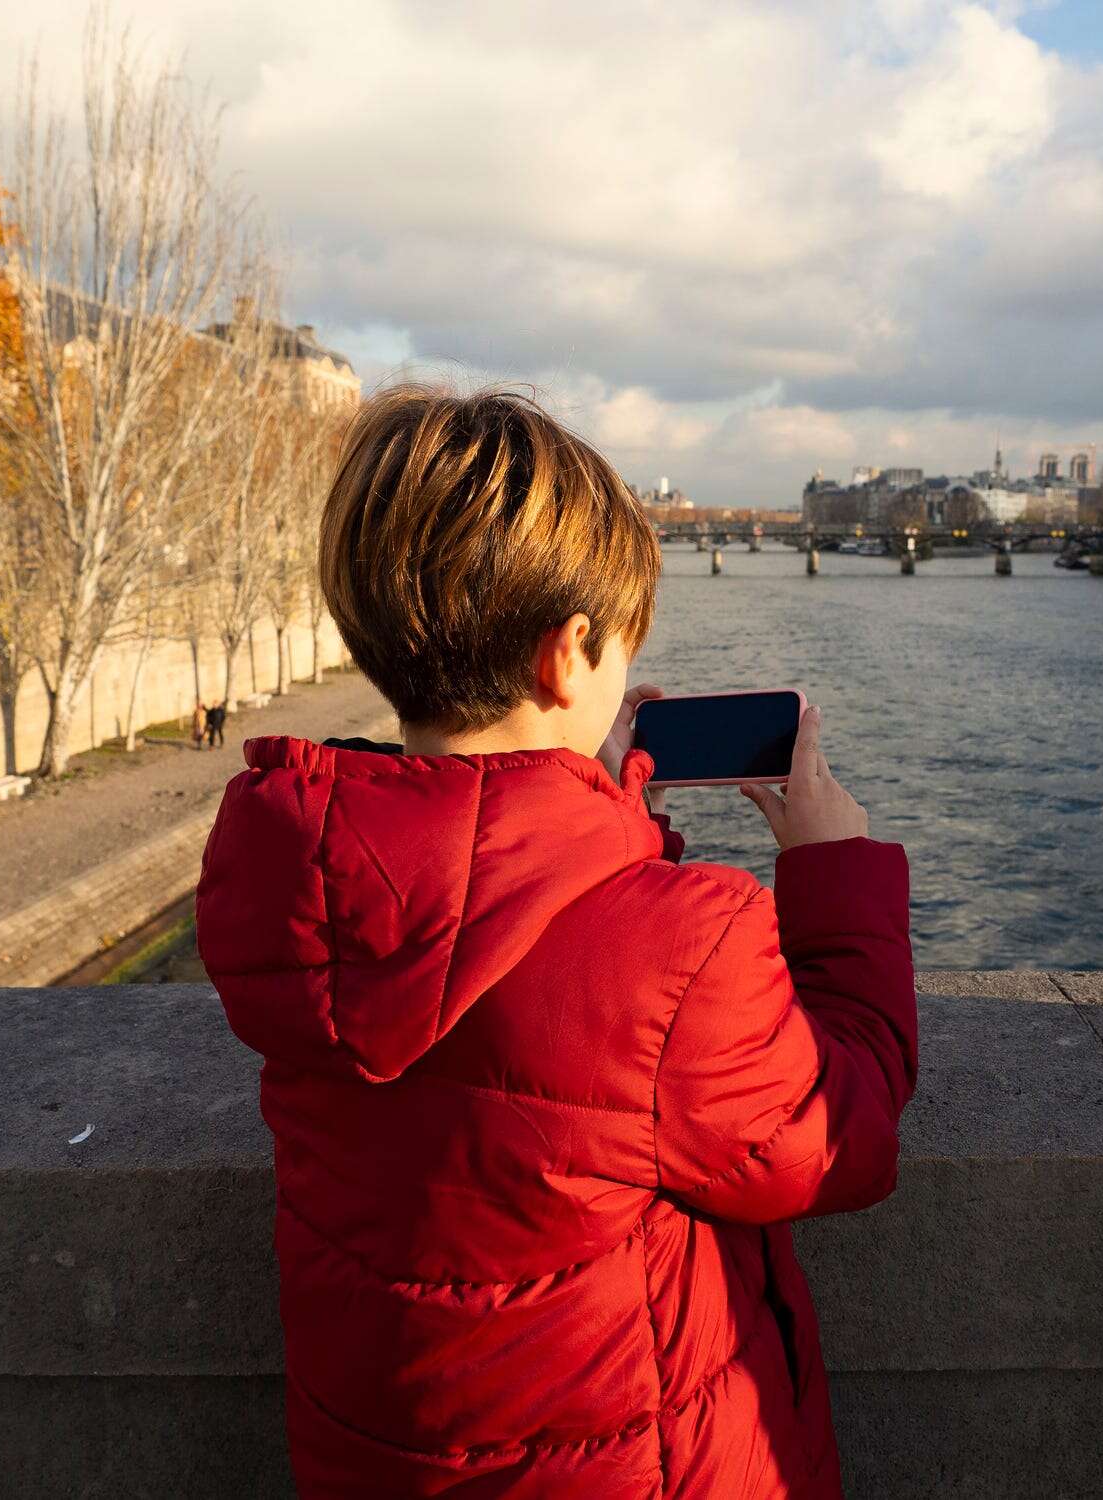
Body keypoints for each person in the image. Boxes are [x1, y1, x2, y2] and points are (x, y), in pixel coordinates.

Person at [198, 386, 915, 1499]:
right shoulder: (681, 945)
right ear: (569, 654)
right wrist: (837, 876)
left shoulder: (292, 877)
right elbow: (837, 1137)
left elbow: (497, 906)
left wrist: (597, 799)